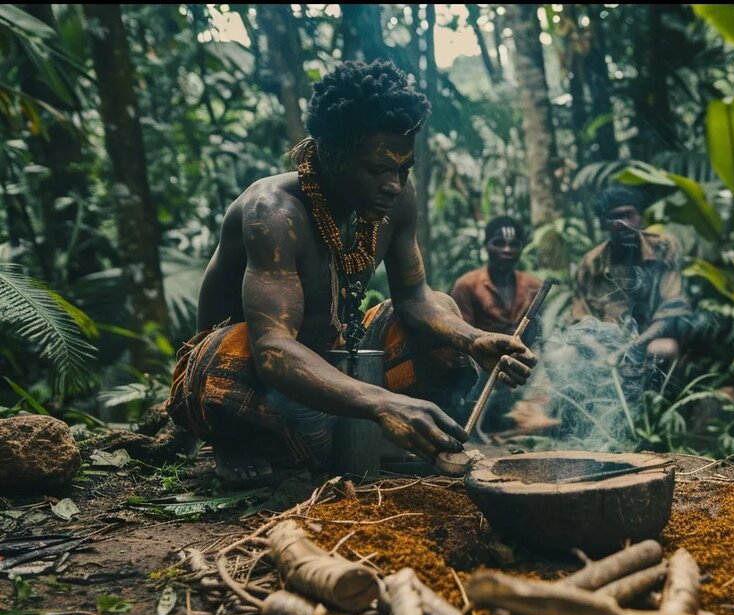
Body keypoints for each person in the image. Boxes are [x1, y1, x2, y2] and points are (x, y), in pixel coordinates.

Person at [166, 61, 535, 484]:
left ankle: (378, 437)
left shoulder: (395, 198)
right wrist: (380, 403)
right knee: (225, 354)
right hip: (257, 384)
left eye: (403, 169)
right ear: (331, 154)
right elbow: (272, 351)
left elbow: (415, 298)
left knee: (443, 314)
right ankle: (240, 445)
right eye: (378, 169)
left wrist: (472, 339)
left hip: (335, 367)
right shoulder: (273, 214)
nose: (394, 184)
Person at [571, 186, 691, 369]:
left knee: (664, 349)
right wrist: (597, 349)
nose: (625, 223)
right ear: (604, 224)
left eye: (630, 215)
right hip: (605, 347)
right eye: (616, 217)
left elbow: (670, 313)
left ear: (640, 217)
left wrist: (630, 349)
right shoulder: (592, 263)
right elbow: (580, 318)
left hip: (651, 339)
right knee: (563, 356)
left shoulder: (663, 248)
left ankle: (661, 398)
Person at [450, 216, 545, 433]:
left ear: (522, 247)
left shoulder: (534, 286)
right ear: (486, 245)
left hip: (524, 366)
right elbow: (462, 338)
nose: (507, 250)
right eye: (499, 243)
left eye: (514, 244)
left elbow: (541, 336)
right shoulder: (467, 286)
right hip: (482, 365)